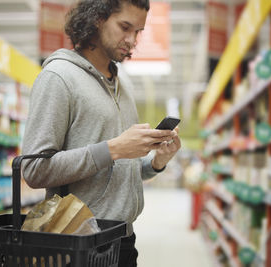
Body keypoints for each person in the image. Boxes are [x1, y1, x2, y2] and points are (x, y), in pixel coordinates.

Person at [21, 0, 181, 266]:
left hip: (124, 239)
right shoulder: (58, 77)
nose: (132, 40)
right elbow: (34, 169)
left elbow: (115, 169)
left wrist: (155, 163)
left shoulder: (122, 85)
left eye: (138, 31)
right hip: (77, 244)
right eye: (124, 27)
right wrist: (114, 148)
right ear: (97, 19)